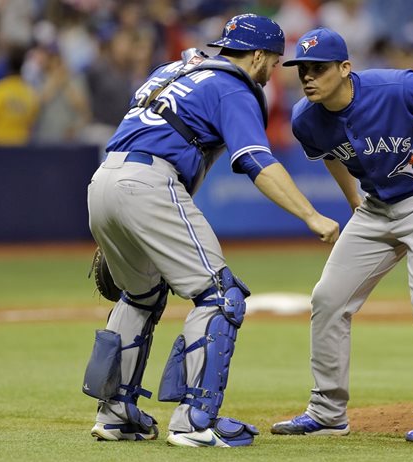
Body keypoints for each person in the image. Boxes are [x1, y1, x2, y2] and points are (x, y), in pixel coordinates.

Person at [82, 14, 339, 449]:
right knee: (220, 296)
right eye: (273, 61)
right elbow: (256, 160)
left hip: (103, 179)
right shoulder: (233, 86)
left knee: (139, 296)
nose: (272, 71)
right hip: (147, 183)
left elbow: (148, 131)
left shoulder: (172, 71)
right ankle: (195, 422)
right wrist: (312, 216)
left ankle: (115, 415)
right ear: (259, 55)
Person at [271, 27, 413, 442]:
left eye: (319, 68)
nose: (308, 77)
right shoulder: (305, 119)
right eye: (303, 70)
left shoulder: (397, 87)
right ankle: (328, 413)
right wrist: (355, 203)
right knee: (328, 298)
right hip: (376, 207)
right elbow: (331, 155)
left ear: (345, 68)